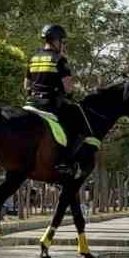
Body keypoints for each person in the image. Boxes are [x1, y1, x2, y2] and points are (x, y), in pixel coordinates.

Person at [24, 23, 88, 181]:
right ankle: (65, 163)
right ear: (55, 40)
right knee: (79, 126)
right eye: (62, 41)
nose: (63, 45)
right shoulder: (60, 60)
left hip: (31, 103)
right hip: (50, 105)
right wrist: (72, 95)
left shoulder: (33, 58)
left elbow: (26, 85)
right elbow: (68, 88)